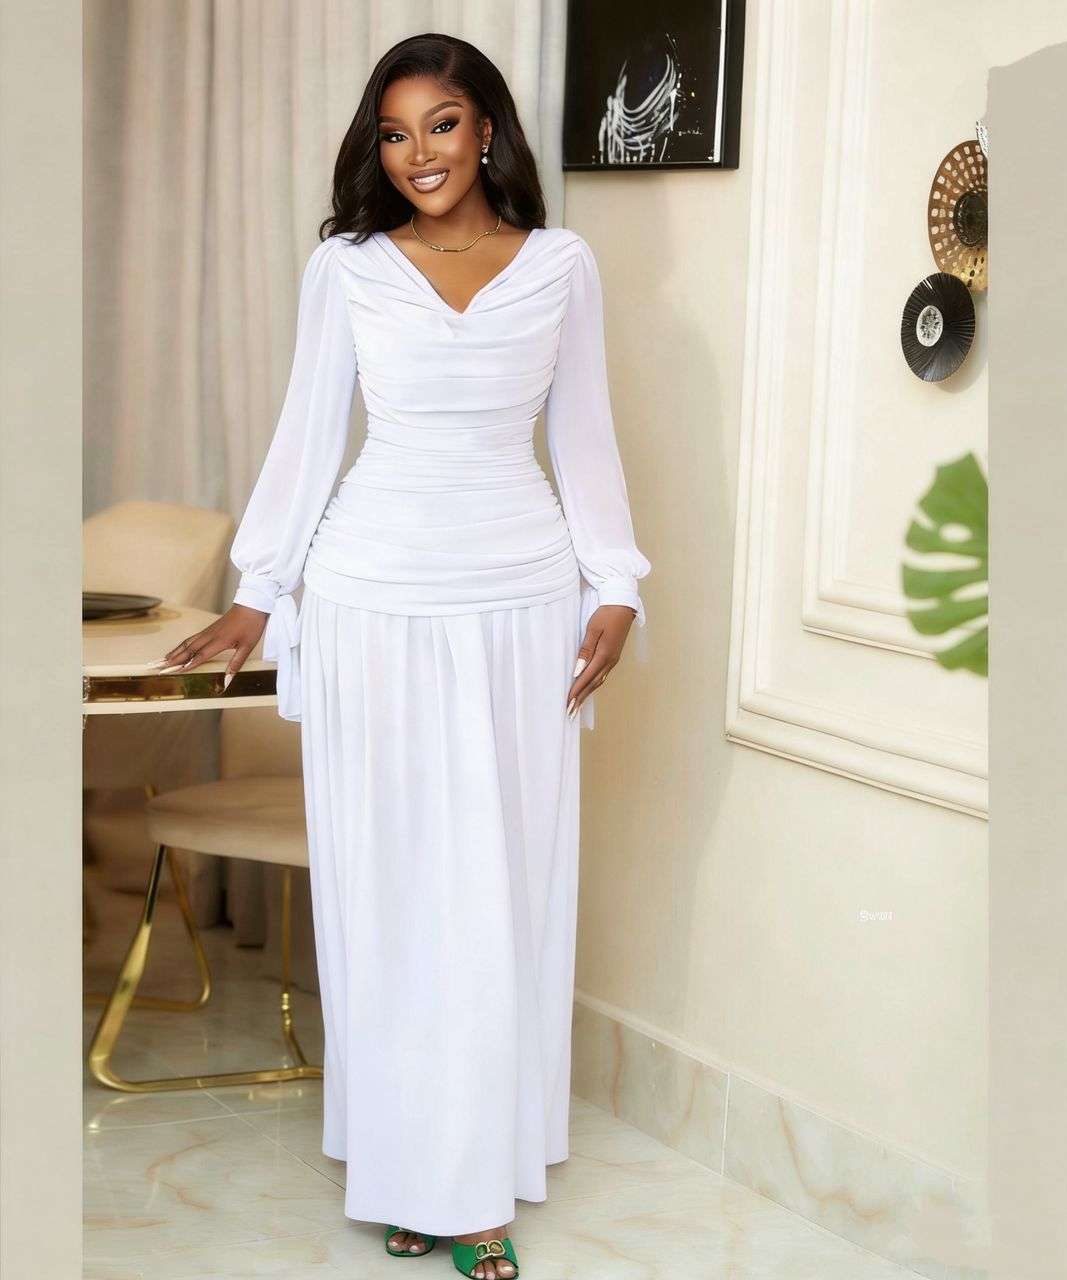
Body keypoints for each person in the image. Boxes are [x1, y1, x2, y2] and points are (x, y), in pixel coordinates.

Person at [151, 32, 650, 1280]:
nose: (417, 153)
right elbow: (307, 432)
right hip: (371, 598)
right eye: (393, 133)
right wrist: (258, 592)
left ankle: (470, 1176)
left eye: (441, 124)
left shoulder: (562, 266)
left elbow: (584, 432)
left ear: (486, 129)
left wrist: (616, 582)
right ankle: (411, 1168)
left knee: (494, 891)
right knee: (391, 892)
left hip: (520, 605)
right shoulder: (348, 270)